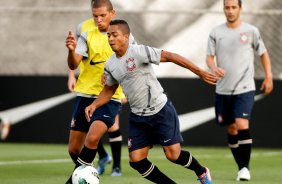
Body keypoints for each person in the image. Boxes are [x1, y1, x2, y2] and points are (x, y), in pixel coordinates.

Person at [84, 19, 217, 184]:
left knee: (173, 155)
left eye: (114, 35)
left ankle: (201, 171)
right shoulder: (110, 64)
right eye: (109, 35)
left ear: (126, 37)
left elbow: (171, 56)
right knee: (136, 160)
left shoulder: (139, 52)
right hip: (138, 117)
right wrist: (94, 104)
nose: (110, 39)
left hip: (160, 110)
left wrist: (200, 72)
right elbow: (109, 90)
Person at [65, 0, 135, 182]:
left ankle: (82, 177)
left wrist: (123, 85)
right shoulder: (86, 35)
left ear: (113, 13)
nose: (98, 19)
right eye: (95, 16)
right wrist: (71, 52)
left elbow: (132, 64)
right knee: (73, 149)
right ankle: (90, 174)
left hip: (109, 96)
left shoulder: (124, 35)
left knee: (93, 138)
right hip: (85, 95)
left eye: (103, 15)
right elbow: (74, 63)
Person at [206, 0, 273, 181]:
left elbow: (263, 53)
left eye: (234, 7)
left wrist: (268, 76)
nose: (230, 11)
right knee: (232, 128)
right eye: (227, 7)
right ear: (224, 9)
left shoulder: (251, 31)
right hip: (223, 89)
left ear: (240, 9)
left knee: (242, 123)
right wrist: (213, 68)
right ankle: (241, 167)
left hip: (245, 88)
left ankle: (245, 168)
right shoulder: (216, 32)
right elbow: (210, 58)